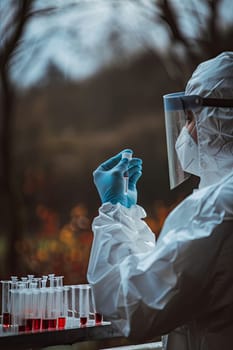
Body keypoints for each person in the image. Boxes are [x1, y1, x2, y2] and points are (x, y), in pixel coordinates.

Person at [87, 52, 233, 350]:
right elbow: (174, 273)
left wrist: (115, 212)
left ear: (218, 119)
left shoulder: (216, 210)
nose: (184, 131)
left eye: (190, 118)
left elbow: (131, 306)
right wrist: (130, 218)